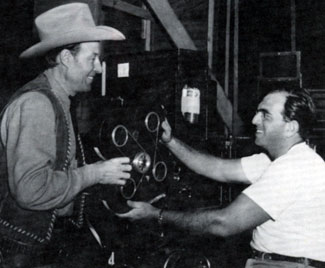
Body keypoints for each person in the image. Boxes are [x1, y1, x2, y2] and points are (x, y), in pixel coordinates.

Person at [119, 87, 325, 268]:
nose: (254, 120)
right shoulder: (275, 161)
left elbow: (224, 223)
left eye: (266, 115)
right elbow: (217, 168)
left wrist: (156, 214)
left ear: (291, 127)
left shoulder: (293, 168)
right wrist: (170, 141)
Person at [0, 3, 132, 268]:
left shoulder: (60, 101)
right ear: (66, 58)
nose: (99, 68)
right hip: (23, 255)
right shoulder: (37, 104)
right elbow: (31, 190)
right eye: (92, 58)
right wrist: (96, 173)